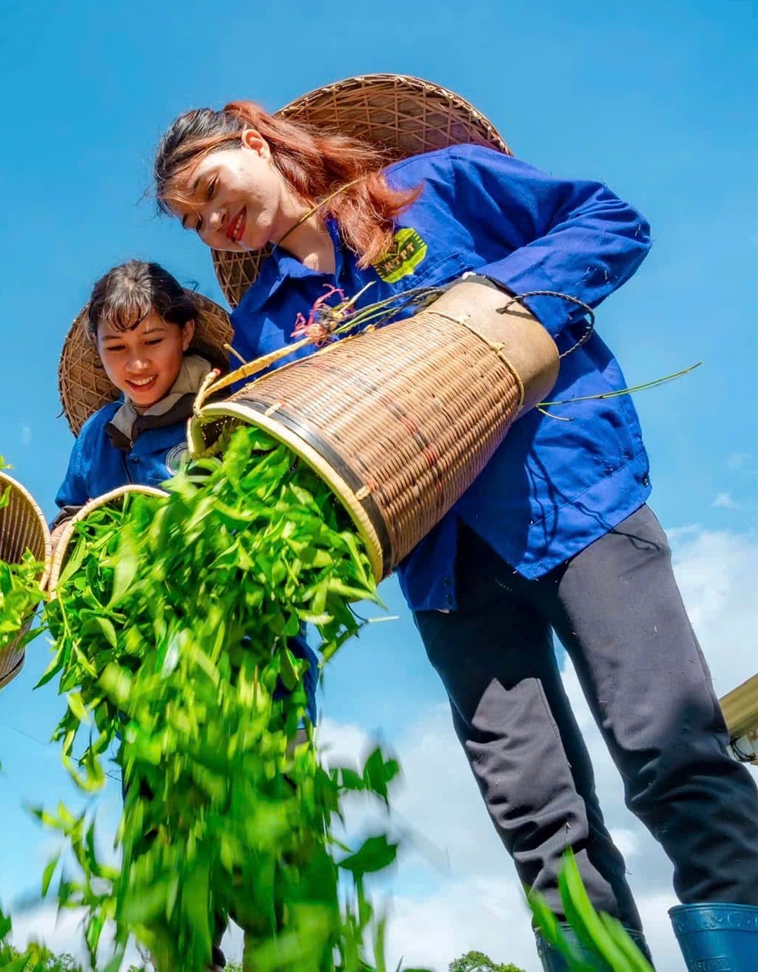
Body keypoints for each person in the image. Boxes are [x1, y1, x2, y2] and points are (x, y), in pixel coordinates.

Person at [151, 75, 758, 968]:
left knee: (668, 746)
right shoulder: (264, 324)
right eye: (192, 223)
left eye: (210, 191)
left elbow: (611, 221)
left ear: (254, 140)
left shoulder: (433, 187)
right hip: (441, 563)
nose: (214, 223)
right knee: (536, 817)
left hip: (568, 496)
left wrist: (490, 304)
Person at [52, 260, 321, 969]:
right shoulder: (99, 438)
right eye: (116, 349)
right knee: (170, 895)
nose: (136, 364)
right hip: (150, 692)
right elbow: (71, 520)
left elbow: (289, 507)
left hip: (256, 677)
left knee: (276, 873)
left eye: (152, 342)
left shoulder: (234, 405)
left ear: (185, 332)